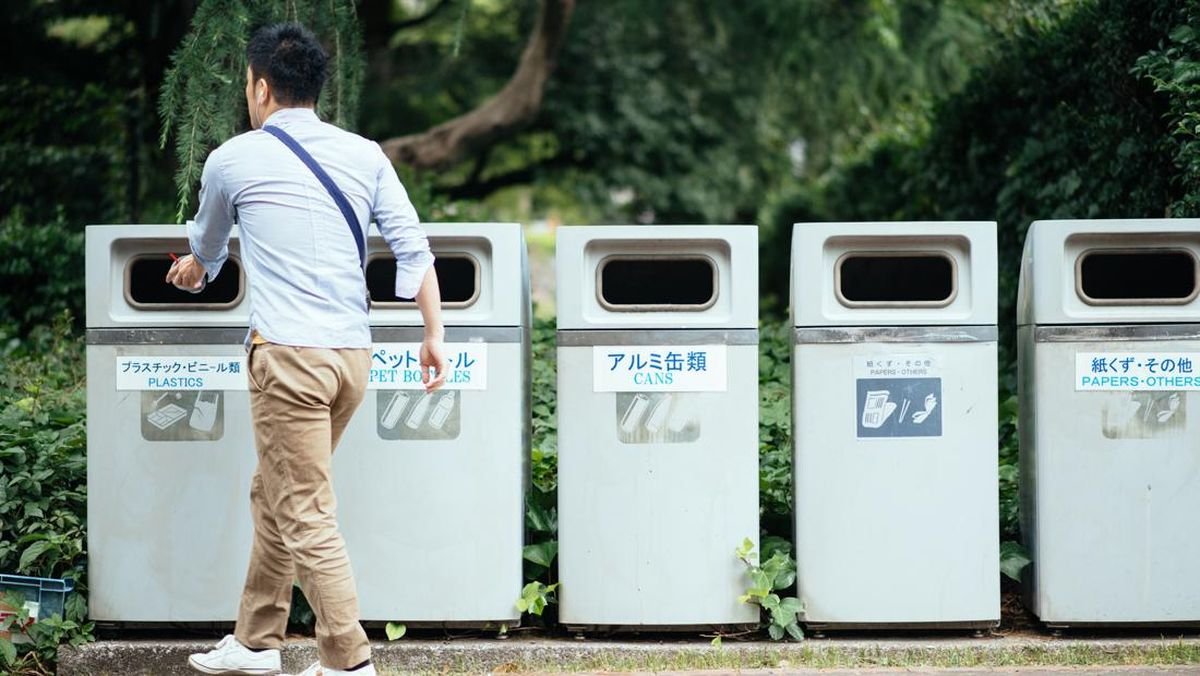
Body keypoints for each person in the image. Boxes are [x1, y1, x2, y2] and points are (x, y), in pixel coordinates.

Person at [169, 22, 446, 676]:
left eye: (247, 83)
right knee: (277, 493)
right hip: (351, 359)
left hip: (289, 358)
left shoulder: (232, 159)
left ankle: (349, 663)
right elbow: (414, 249)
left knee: (304, 511)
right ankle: (257, 640)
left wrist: (189, 272)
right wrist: (434, 334)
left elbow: (206, 255)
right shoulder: (365, 154)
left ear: (261, 86)